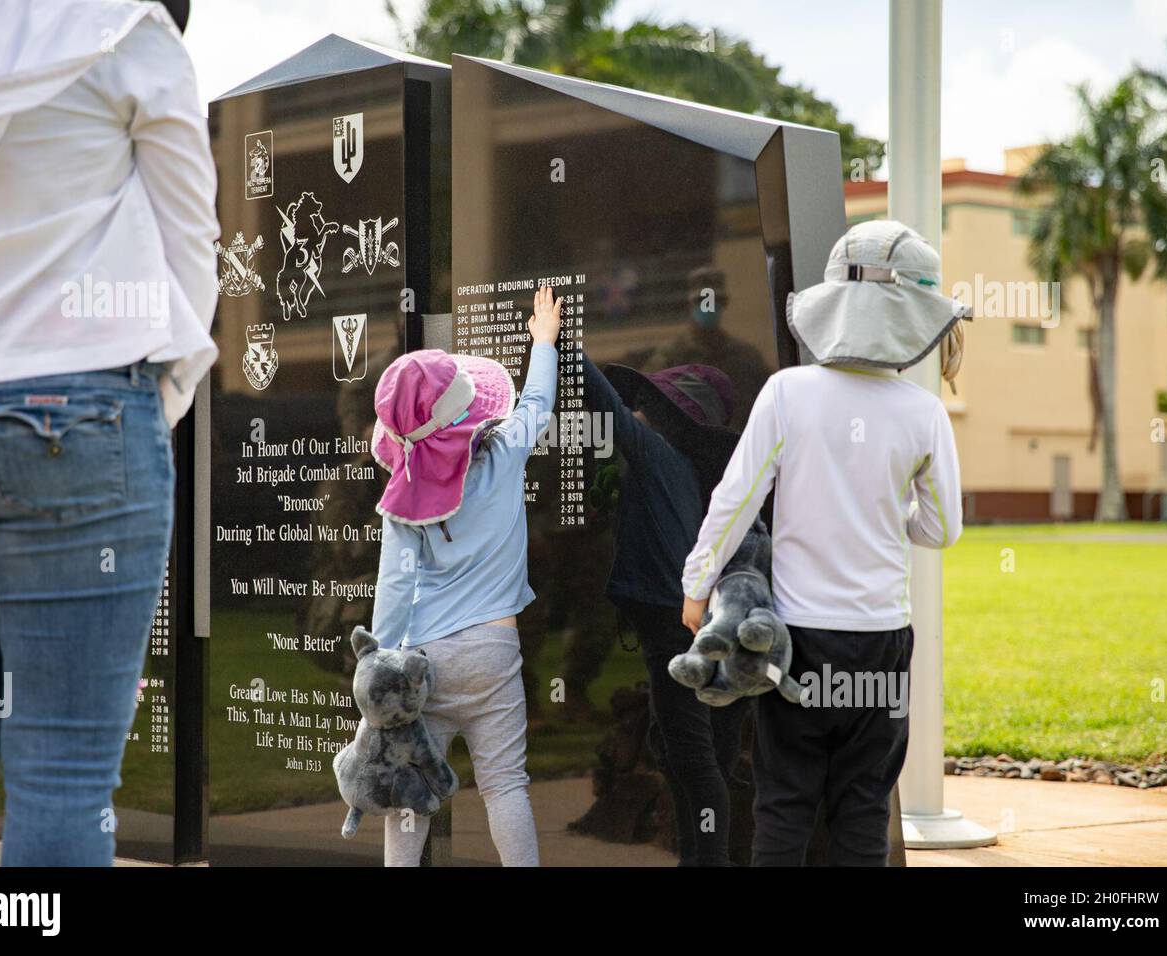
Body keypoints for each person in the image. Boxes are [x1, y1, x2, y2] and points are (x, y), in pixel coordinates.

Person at [0, 0, 217, 866]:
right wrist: (155, 403)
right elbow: (191, 241)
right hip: (75, 415)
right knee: (62, 774)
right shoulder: (123, 26)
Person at [681, 220, 970, 866]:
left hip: (800, 645)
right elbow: (942, 528)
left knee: (783, 806)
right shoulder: (924, 413)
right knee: (864, 809)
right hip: (882, 643)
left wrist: (697, 584)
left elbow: (735, 499)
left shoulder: (787, 393)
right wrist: (888, 512)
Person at [369, 287, 564, 867]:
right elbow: (536, 405)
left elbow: (394, 588)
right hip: (493, 651)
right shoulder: (504, 456)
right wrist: (544, 343)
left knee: (411, 794)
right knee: (505, 785)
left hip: (422, 663)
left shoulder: (400, 502)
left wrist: (379, 671)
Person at [583, 354, 745, 866]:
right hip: (716, 623)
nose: (636, 412)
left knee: (692, 757)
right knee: (695, 751)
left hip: (671, 627)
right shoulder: (701, 467)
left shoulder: (656, 454)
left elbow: (604, 405)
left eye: (647, 403)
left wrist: (556, 341)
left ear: (671, 414)